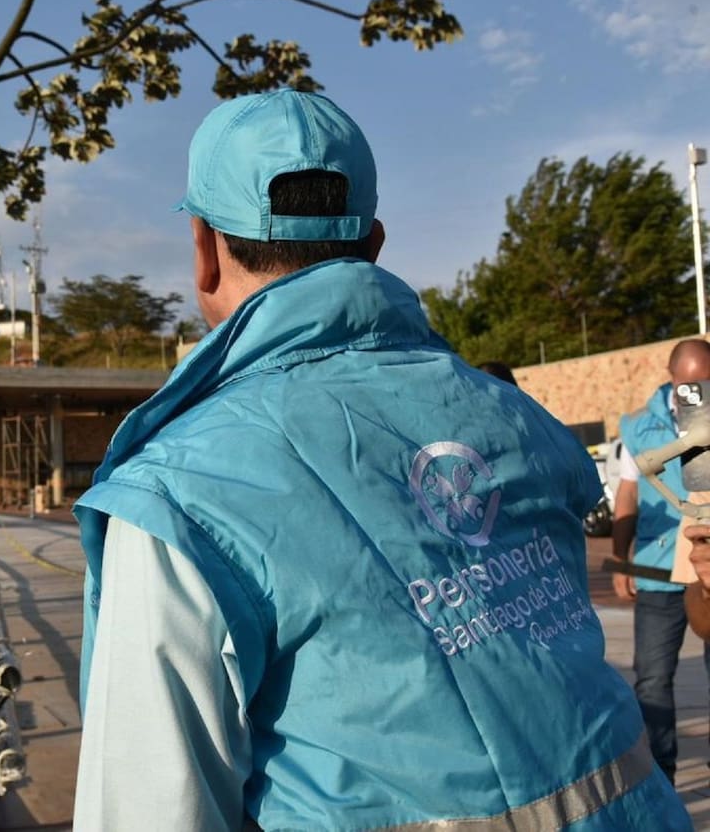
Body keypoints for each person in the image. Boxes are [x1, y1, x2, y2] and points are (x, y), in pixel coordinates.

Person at [72, 89, 689, 830]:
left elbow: (147, 807)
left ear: (204, 252)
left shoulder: (182, 492)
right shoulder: (515, 418)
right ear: (375, 242)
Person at [613, 338, 710, 782]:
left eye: (707, 384)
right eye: (690, 384)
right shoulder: (637, 427)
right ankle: (664, 775)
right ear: (672, 379)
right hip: (658, 571)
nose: (698, 393)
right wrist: (620, 556)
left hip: (708, 570)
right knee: (652, 679)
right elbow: (628, 494)